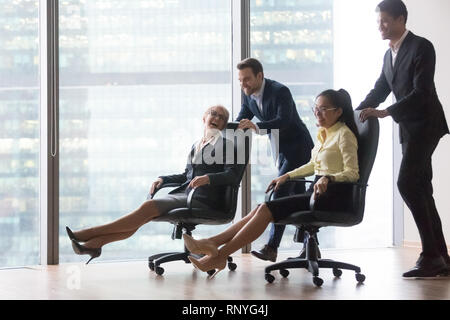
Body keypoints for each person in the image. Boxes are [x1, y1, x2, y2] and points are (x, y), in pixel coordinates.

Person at [183, 89, 359, 277]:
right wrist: (287, 176)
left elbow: (352, 173)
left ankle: (220, 255)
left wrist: (329, 178)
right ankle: (212, 243)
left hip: (332, 196)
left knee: (266, 210)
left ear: (338, 111)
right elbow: (313, 164)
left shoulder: (344, 135)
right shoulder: (324, 133)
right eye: (316, 108)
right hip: (315, 193)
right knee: (261, 207)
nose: (317, 113)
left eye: (323, 109)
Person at [65, 105, 244, 264]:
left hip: (205, 199)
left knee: (148, 207)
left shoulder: (226, 145)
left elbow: (233, 175)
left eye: (222, 118)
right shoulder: (196, 145)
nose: (217, 118)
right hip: (186, 194)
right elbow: (186, 176)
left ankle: (89, 234)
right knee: (143, 216)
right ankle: (95, 244)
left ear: (223, 126)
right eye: (213, 114)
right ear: (204, 118)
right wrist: (163, 179)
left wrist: (208, 178)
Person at [357, 0, 450, 278]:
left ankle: (430, 255)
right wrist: (352, 113)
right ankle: (441, 257)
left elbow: (421, 92)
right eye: (378, 22)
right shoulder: (389, 55)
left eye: (385, 21)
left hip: (426, 124)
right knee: (421, 187)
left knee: (407, 182)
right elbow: (380, 88)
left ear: (401, 19)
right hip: (409, 128)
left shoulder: (422, 46)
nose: (381, 26)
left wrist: (386, 112)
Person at [236, 57, 314, 262]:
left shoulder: (280, 91)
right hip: (280, 150)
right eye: (240, 80)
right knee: (297, 200)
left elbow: (284, 121)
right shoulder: (249, 96)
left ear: (259, 76)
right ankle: (311, 246)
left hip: (298, 147)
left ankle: (272, 247)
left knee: (278, 193)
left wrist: (257, 128)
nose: (243, 85)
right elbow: (241, 119)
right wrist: (222, 132)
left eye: (247, 80)